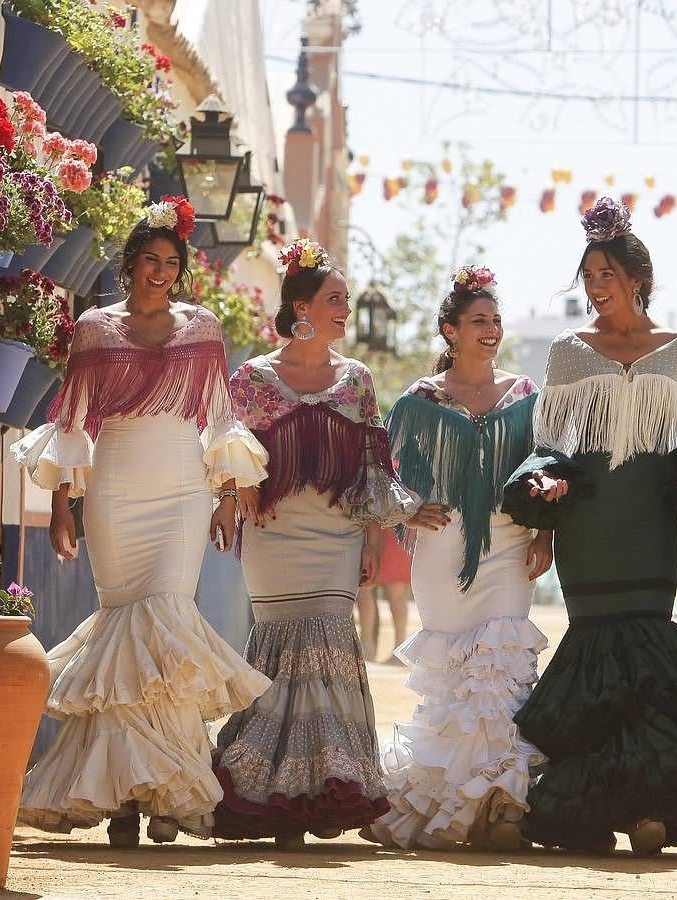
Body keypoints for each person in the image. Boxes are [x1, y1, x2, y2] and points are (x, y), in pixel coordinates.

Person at [12, 198, 272, 846]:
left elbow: (217, 415)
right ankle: (126, 800)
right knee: (127, 636)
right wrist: (60, 507)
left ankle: (167, 794)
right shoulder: (95, 328)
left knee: (168, 628)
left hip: (182, 487)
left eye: (171, 263)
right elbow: (72, 423)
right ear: (129, 265)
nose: (161, 271)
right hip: (116, 486)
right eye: (150, 260)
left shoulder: (203, 327)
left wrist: (224, 495)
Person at [501, 197, 677, 856]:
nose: (596, 288)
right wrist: (543, 526)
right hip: (588, 525)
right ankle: (595, 812)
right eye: (589, 276)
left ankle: (650, 811)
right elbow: (550, 447)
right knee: (599, 655)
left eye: (606, 275)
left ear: (637, 278)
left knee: (647, 656)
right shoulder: (569, 354)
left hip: (650, 522)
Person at [212, 239, 420, 850]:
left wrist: (370, 542)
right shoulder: (252, 377)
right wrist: (232, 494)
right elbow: (227, 450)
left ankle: (324, 786)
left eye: (347, 300)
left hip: (335, 534)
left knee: (329, 644)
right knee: (277, 654)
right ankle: (267, 792)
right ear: (300, 306)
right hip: (272, 536)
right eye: (335, 299)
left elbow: (370, 471)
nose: (346, 310)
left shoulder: (357, 380)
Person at [367, 265, 551, 851]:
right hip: (442, 547)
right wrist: (406, 510)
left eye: (495, 321)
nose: (490, 330)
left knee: (500, 667)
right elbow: (380, 472)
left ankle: (504, 807)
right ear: (450, 329)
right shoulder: (420, 400)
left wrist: (546, 531)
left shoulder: (526, 395)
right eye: (478, 321)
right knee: (452, 684)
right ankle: (452, 804)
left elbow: (547, 467)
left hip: (510, 544)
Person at [355, 530, 412, 662]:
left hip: (388, 529)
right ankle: (399, 649)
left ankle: (367, 646)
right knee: (392, 593)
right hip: (395, 527)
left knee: (367, 588)